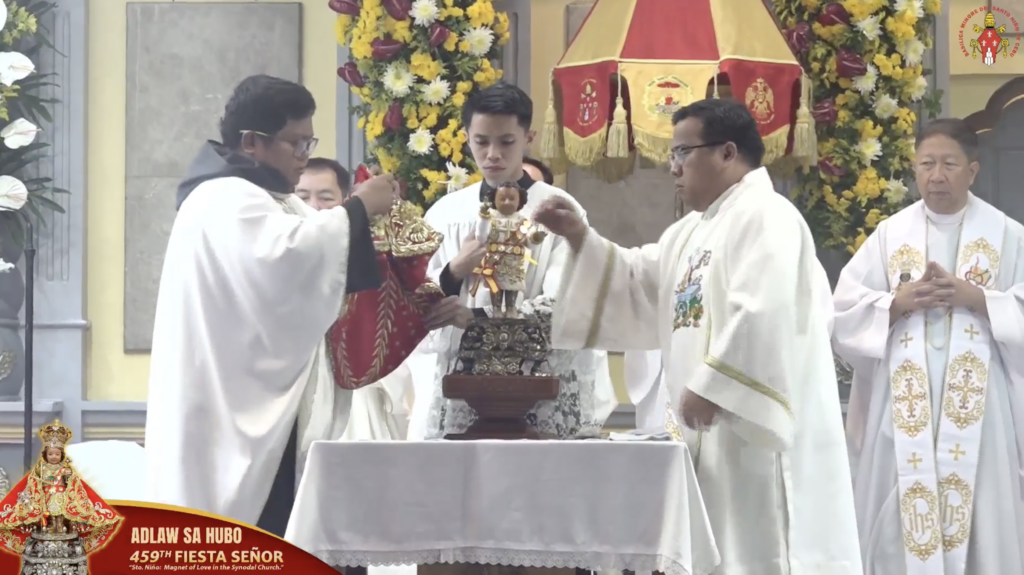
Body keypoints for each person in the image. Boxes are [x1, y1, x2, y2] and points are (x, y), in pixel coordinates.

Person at [539, 98, 860, 573]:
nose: (673, 168)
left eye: (682, 153)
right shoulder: (689, 232)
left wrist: (712, 386)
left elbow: (763, 308)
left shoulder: (766, 214)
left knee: (758, 545)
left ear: (728, 153)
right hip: (706, 430)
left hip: (748, 426)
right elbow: (639, 281)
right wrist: (579, 235)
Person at [145, 75, 401, 536]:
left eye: (310, 141)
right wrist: (359, 207)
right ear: (251, 142)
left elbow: (329, 262)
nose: (305, 155)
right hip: (226, 412)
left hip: (268, 408)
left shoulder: (274, 199)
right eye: (295, 142)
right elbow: (288, 261)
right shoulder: (219, 198)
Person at [833, 118, 1024, 574]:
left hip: (981, 410)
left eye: (949, 164)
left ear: (972, 171)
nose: (937, 176)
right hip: (904, 404)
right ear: (914, 169)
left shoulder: (1007, 235)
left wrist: (978, 298)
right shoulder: (889, 235)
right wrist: (895, 304)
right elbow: (843, 312)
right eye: (926, 164)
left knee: (981, 505)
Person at [407, 82, 617, 440]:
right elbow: (416, 297)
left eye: (506, 142)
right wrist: (454, 272)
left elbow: (565, 299)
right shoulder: (446, 212)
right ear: (466, 136)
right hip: (462, 376)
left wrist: (475, 318)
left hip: (537, 375)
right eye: (481, 141)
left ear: (528, 137)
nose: (492, 154)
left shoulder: (558, 209)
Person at [296, 160, 409, 441]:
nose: (313, 206)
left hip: (353, 379)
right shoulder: (280, 253)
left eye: (325, 198)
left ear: (346, 201)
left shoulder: (367, 255)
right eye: (302, 197)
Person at [0, 420, 122, 554]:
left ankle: (60, 526)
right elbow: (34, 481)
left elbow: (74, 484)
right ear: (45, 455)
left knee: (59, 513)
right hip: (46, 496)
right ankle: (51, 526)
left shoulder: (65, 468)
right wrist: (45, 481)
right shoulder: (41, 468)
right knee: (50, 513)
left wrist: (68, 477)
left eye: (57, 454)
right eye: (51, 454)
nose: (54, 457)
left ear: (62, 455)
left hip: (61, 495)